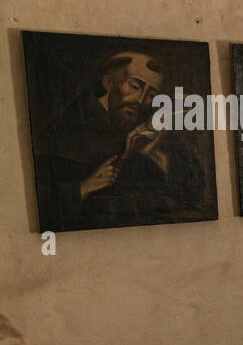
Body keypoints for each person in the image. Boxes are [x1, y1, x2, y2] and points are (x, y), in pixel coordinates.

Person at [31, 49, 206, 231]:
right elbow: (35, 200)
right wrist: (83, 187)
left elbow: (194, 193)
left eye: (151, 94)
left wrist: (159, 157)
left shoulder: (149, 126)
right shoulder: (67, 128)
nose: (140, 100)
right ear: (108, 83)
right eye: (135, 86)